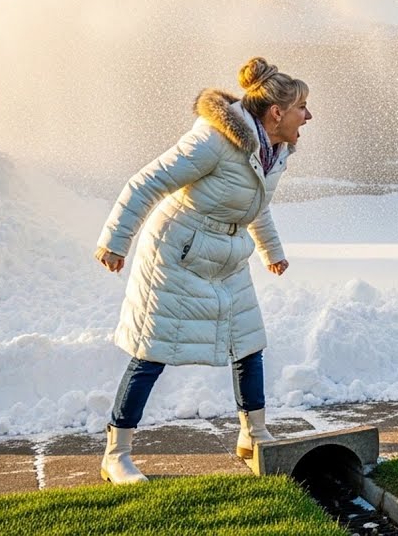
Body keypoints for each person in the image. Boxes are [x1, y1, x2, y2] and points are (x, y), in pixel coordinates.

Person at [94, 57, 312, 484]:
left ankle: (255, 436)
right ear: (276, 112)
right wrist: (116, 241)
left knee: (248, 343)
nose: (309, 116)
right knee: (152, 351)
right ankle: (116, 455)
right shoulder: (214, 140)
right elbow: (147, 182)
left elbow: (255, 204)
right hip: (177, 251)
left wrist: (271, 251)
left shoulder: (275, 151)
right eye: (302, 107)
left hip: (227, 254)